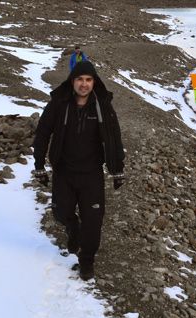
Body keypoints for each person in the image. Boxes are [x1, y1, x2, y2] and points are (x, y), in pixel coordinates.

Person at [32, 60, 126, 280]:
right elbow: (43, 133)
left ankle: (87, 262)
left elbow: (114, 137)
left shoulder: (102, 106)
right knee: (61, 212)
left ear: (94, 82)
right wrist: (39, 164)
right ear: (72, 81)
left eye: (88, 80)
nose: (84, 84)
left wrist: (117, 169)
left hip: (92, 174)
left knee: (93, 221)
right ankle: (73, 228)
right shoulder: (59, 104)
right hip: (64, 171)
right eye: (80, 79)